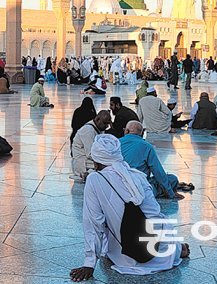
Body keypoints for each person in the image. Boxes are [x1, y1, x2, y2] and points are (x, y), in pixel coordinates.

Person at [69, 134, 188, 281]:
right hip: (162, 248)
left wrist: (89, 263)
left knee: (111, 242)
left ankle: (176, 248)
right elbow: (155, 215)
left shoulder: (95, 179)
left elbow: (94, 223)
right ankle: (176, 248)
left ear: (96, 161)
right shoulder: (137, 176)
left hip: (131, 255)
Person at [120, 121, 190, 199]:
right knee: (172, 179)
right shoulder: (147, 146)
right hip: (141, 187)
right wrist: (170, 193)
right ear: (142, 133)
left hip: (119, 185)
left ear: (126, 131)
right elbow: (158, 172)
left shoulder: (116, 143)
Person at [71, 111, 112, 182]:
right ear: (97, 119)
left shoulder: (99, 128)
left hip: (91, 160)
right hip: (83, 163)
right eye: (105, 123)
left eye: (108, 124)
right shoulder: (88, 130)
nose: (106, 126)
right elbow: (91, 154)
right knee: (109, 167)